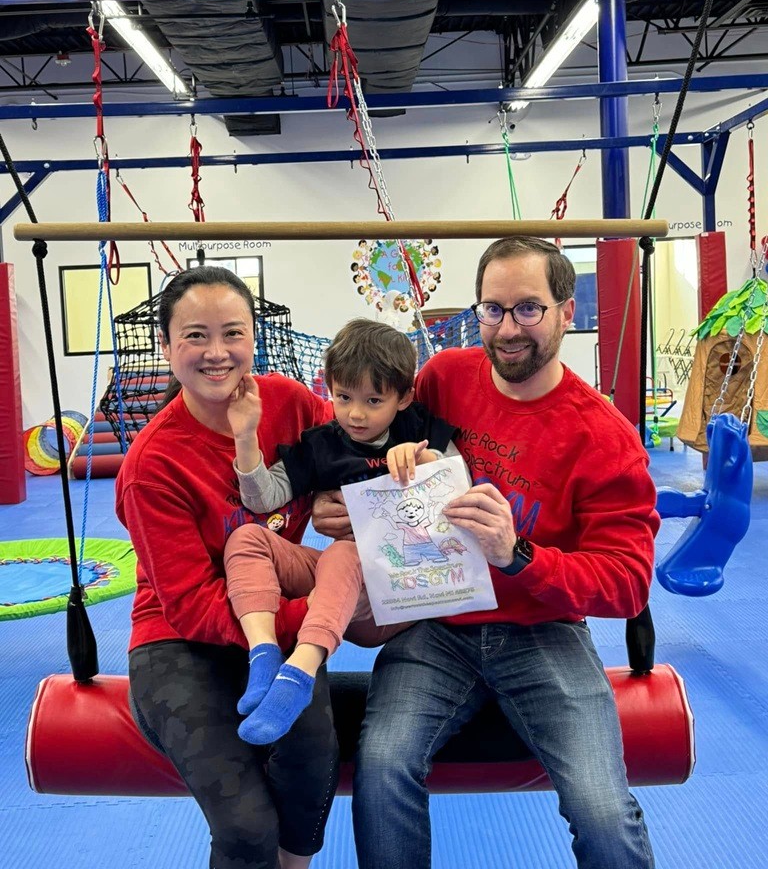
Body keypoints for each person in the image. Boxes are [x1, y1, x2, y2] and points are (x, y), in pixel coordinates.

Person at [313, 236, 660, 869]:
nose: (508, 328)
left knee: (604, 812)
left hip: (543, 633)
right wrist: (338, 501)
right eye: (492, 309)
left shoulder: (603, 436)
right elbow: (359, 428)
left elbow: (629, 584)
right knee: (382, 768)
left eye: (528, 308)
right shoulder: (444, 378)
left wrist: (518, 554)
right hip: (438, 627)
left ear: (567, 311)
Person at [115, 265, 338, 869]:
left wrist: (352, 495)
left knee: (313, 757)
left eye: (232, 333)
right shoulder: (152, 465)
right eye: (195, 336)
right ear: (165, 347)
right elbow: (189, 603)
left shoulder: (291, 405)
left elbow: (359, 441)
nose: (217, 353)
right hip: (179, 642)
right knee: (244, 826)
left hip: (278, 631)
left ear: (253, 339)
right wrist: (317, 619)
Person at [223, 318, 459, 746]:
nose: (355, 413)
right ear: (328, 387)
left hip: (404, 594)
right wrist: (245, 438)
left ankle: (300, 671)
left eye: (373, 401)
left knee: (344, 553)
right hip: (346, 596)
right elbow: (262, 499)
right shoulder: (324, 443)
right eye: (343, 397)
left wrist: (426, 462)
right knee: (247, 538)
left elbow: (458, 487)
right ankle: (264, 655)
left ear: (404, 397)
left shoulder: (419, 430)